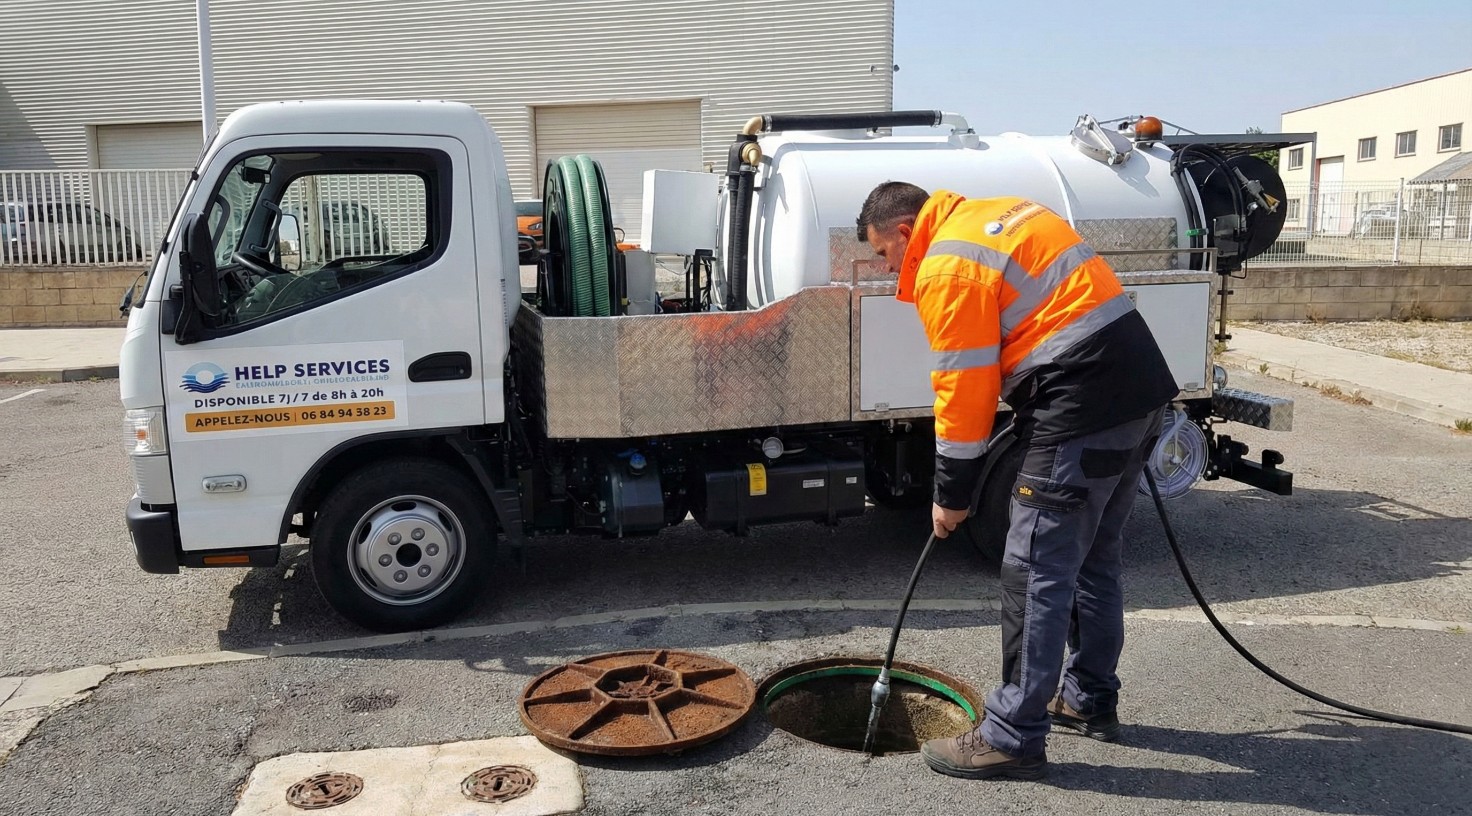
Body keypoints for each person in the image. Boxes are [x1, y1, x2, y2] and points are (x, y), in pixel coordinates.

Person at [857, 182, 1178, 781]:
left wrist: (951, 496)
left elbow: (964, 387)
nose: (888, 267)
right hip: (1138, 393)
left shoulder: (947, 263)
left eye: (883, 254)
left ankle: (1013, 734)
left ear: (905, 232)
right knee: (1091, 560)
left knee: (1034, 571)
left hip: (1079, 404)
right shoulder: (996, 215)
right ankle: (1087, 698)